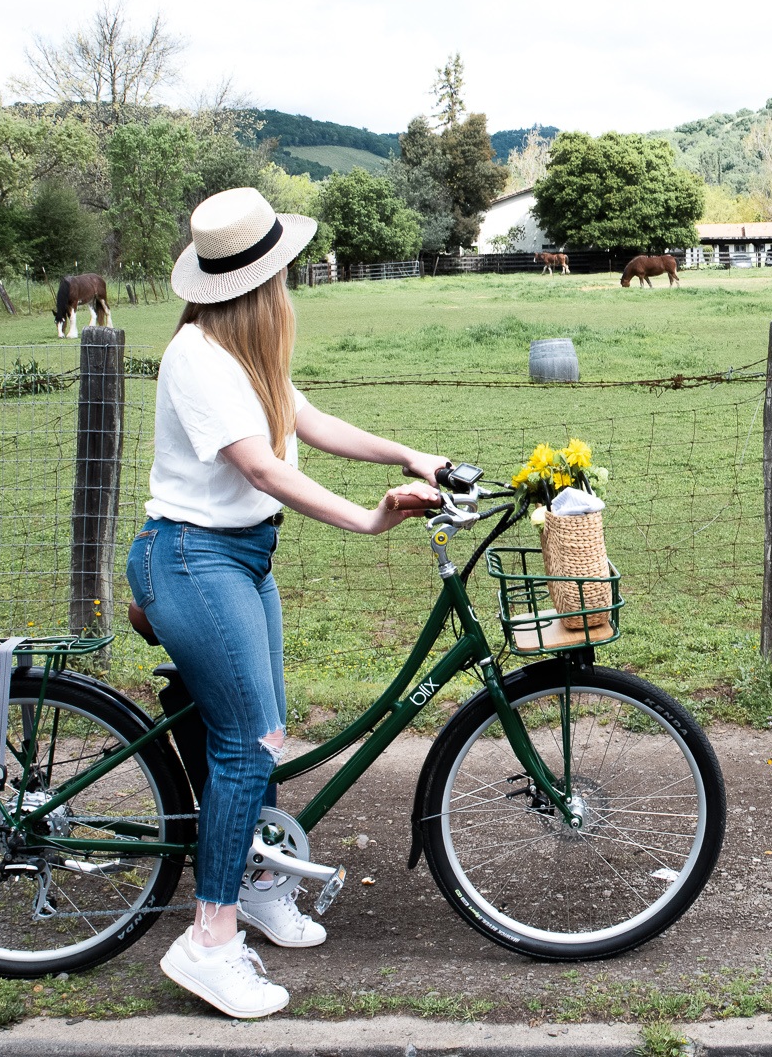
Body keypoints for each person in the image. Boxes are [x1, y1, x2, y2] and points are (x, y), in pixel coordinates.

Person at [126, 187, 446, 1019]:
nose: (288, 286)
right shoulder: (195, 357)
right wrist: (370, 519)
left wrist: (417, 453)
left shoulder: (248, 349)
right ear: (255, 283)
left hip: (243, 558)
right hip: (192, 560)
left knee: (262, 737)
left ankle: (258, 877)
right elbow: (264, 471)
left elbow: (308, 419)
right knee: (244, 742)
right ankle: (208, 940)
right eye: (282, 274)